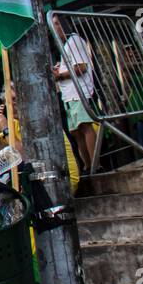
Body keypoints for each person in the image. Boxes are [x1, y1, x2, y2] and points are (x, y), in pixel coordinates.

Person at [52, 13, 97, 172]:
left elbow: (82, 67)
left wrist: (60, 75)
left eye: (57, 24)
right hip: (69, 94)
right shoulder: (65, 45)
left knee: (85, 127)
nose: (55, 28)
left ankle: (95, 163)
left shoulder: (74, 41)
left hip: (79, 92)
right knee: (76, 132)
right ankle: (88, 165)